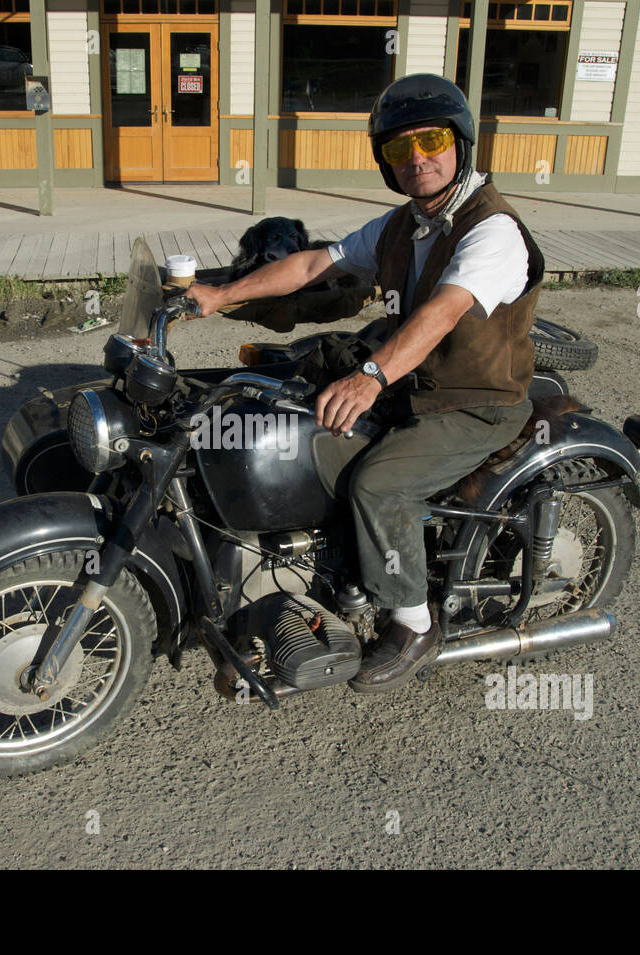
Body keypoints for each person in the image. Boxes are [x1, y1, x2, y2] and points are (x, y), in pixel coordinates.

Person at [186, 74, 545, 692]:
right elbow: (312, 263)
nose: (418, 159)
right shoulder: (405, 225)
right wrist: (220, 295)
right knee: (305, 433)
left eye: (430, 140)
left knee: (380, 485)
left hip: (476, 405)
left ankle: (412, 622)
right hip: (418, 388)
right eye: (399, 149)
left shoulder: (492, 231)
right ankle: (331, 574)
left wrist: (372, 375)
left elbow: (442, 313)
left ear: (461, 142)